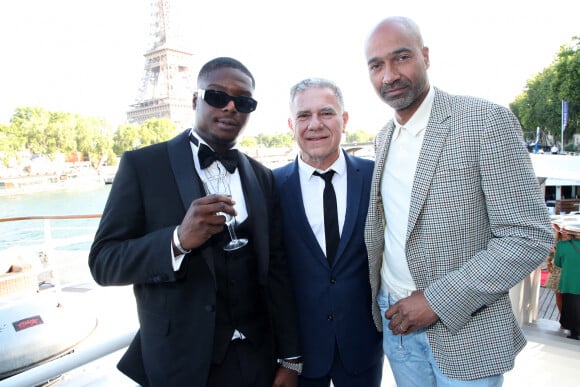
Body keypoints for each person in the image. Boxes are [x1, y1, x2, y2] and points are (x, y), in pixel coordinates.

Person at [363, 17, 554, 386]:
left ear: (426, 56)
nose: (389, 75)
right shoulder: (384, 137)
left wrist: (437, 301)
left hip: (467, 332)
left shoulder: (485, 121)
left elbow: (528, 236)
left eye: (401, 57)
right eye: (376, 65)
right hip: (396, 323)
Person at [89, 57, 302, 387]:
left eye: (243, 101)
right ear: (194, 100)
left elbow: (277, 270)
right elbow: (103, 263)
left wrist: (291, 358)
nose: (231, 108)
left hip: (257, 358)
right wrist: (176, 241)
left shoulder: (262, 177)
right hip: (181, 365)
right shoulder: (142, 166)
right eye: (218, 96)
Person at [273, 78, 383, 387]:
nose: (315, 125)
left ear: (344, 120)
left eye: (326, 113)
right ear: (291, 125)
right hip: (299, 355)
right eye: (304, 116)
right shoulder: (270, 186)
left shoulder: (376, 176)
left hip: (363, 347)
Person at [554, 229, 580, 340]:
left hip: (570, 282)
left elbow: (558, 263)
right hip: (572, 282)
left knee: (572, 306)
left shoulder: (562, 246)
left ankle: (574, 333)